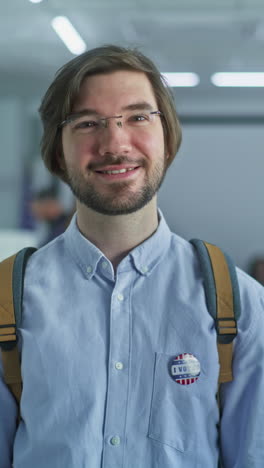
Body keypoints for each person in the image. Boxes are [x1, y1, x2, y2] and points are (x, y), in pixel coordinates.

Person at [0, 45, 263, 468]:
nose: (115, 143)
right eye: (88, 123)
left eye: (138, 117)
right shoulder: (8, 301)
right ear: (57, 152)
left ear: (168, 137)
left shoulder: (240, 304)